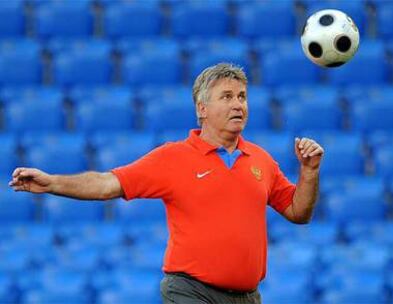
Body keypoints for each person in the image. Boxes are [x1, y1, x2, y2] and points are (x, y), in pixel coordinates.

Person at [9, 63, 324, 304]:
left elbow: (299, 212)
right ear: (202, 109)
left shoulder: (261, 160)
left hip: (247, 296)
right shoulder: (173, 158)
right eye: (226, 97)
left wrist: (309, 172)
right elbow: (107, 184)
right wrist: (52, 183)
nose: (238, 104)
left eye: (242, 97)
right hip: (190, 291)